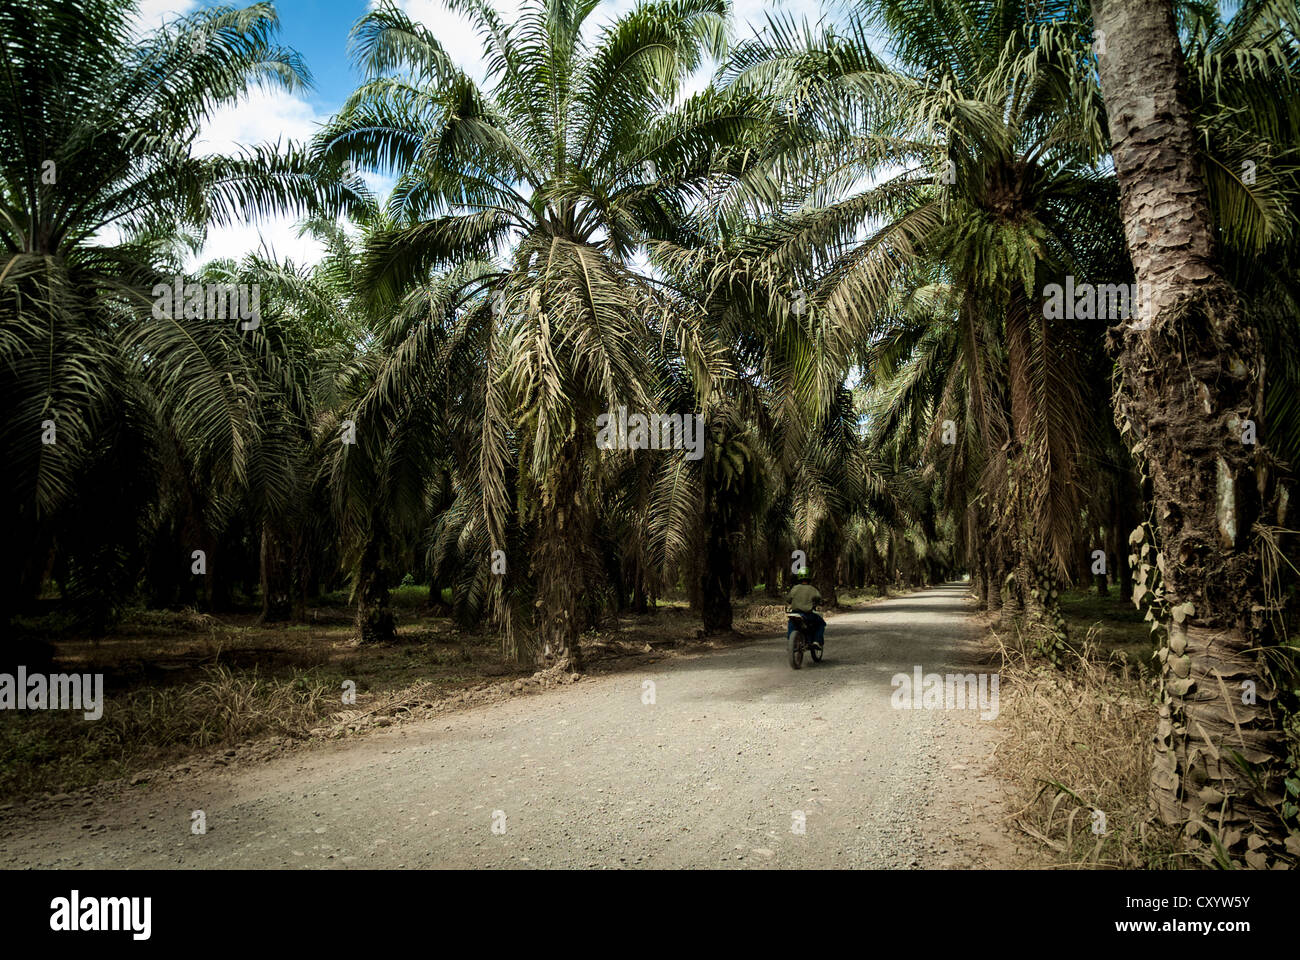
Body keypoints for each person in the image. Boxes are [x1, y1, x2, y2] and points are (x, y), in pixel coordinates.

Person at [786, 574, 825, 649]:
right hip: (807, 614)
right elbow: (818, 598)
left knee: (791, 622)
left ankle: (791, 641)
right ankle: (816, 641)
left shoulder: (794, 588)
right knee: (821, 623)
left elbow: (788, 599)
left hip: (794, 613)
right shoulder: (813, 589)